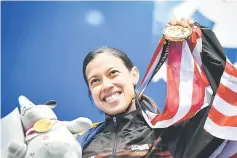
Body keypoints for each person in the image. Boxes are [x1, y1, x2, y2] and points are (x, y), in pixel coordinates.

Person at [78, 19, 234, 158]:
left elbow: (227, 98)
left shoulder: (168, 134)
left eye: (113, 73)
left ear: (134, 75)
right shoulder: (81, 142)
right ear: (90, 92)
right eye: (95, 81)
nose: (106, 85)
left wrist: (199, 41)